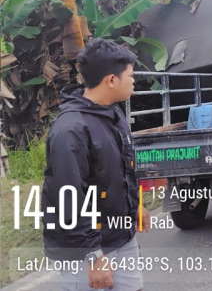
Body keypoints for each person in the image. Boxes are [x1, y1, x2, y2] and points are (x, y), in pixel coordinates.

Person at [42, 39, 151, 291]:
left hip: (120, 235)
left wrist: (135, 206)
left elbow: (123, 169)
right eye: (130, 75)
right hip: (86, 250)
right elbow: (66, 200)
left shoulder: (113, 113)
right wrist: (92, 255)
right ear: (111, 80)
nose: (134, 81)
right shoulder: (71, 130)